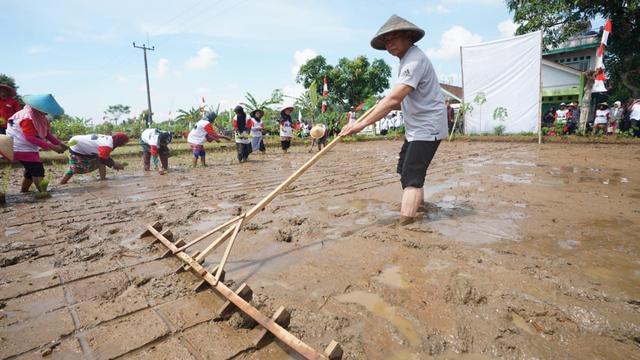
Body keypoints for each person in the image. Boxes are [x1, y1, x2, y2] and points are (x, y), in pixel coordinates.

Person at [340, 14, 447, 225]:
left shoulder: (414, 61)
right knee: (406, 170)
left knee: (412, 177)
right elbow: (395, 101)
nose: (389, 45)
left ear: (408, 36)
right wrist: (365, 117)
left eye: (393, 38)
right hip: (416, 128)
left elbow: (393, 99)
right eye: (386, 41)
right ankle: (420, 208)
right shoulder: (407, 61)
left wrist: (360, 125)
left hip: (427, 127)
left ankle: (405, 226)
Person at [6, 94, 67, 195]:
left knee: (30, 171)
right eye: (45, 109)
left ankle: (24, 192)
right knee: (37, 169)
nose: (47, 112)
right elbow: (29, 137)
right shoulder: (27, 117)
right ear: (37, 107)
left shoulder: (39, 116)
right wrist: (52, 147)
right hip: (19, 147)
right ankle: (43, 193)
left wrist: (60, 144)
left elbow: (46, 134)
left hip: (27, 147)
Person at [60, 132, 129, 184]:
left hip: (78, 141)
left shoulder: (110, 139)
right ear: (119, 142)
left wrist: (113, 164)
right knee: (74, 168)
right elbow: (103, 158)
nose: (123, 145)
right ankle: (62, 183)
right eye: (123, 143)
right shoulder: (108, 145)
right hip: (77, 146)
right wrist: (114, 164)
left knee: (100, 161)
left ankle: (103, 179)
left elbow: (104, 157)